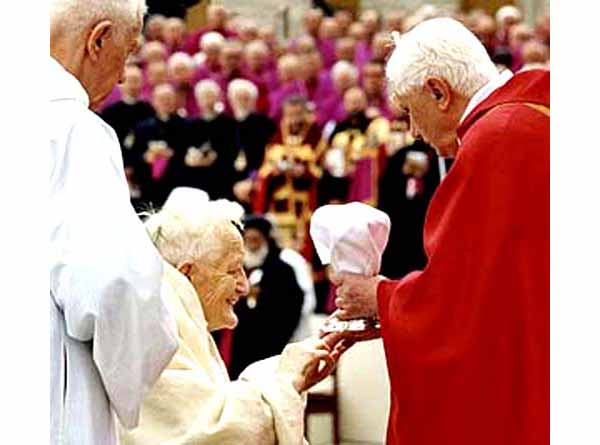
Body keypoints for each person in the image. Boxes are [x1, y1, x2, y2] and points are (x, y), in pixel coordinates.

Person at [332, 18, 549, 445]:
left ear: (438, 91)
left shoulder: (497, 140)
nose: (413, 131)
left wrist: (378, 298)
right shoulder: (536, 116)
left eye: (411, 112)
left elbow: (458, 307)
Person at [120, 190, 345, 445]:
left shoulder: (174, 311)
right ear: (187, 273)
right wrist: (286, 379)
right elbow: (210, 433)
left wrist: (285, 371)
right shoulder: (155, 325)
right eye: (232, 270)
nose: (244, 286)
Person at [50, 1, 178, 444]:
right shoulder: (73, 130)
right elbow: (113, 284)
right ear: (98, 39)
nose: (124, 76)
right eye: (126, 53)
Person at [229, 215, 306, 379]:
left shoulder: (282, 271)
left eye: (255, 240)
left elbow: (291, 308)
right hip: (235, 345)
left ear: (265, 241)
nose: (251, 245)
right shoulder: (233, 267)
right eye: (247, 240)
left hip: (268, 344)